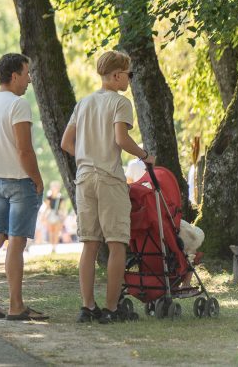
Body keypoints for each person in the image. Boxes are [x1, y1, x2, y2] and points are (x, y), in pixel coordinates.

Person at [60, 50, 155, 324]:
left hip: (84, 177)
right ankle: (112, 309)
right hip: (109, 177)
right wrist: (144, 155)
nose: (130, 79)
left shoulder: (84, 103)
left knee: (89, 245)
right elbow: (121, 139)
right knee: (116, 244)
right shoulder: (120, 103)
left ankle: (88, 307)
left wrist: (86, 154)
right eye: (129, 74)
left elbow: (66, 143)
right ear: (116, 75)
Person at [0, 53, 47, 321]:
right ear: (14, 75)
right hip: (19, 180)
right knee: (16, 244)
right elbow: (24, 149)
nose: (29, 80)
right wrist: (37, 179)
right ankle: (16, 306)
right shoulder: (18, 105)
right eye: (27, 74)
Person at [44, 181, 65, 254]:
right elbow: (47, 208)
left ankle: (54, 247)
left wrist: (63, 216)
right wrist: (43, 216)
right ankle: (52, 246)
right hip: (50, 215)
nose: (54, 188)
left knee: (56, 233)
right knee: (51, 233)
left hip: (58, 215)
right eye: (53, 187)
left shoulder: (61, 198)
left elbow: (62, 208)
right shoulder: (49, 197)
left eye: (56, 187)